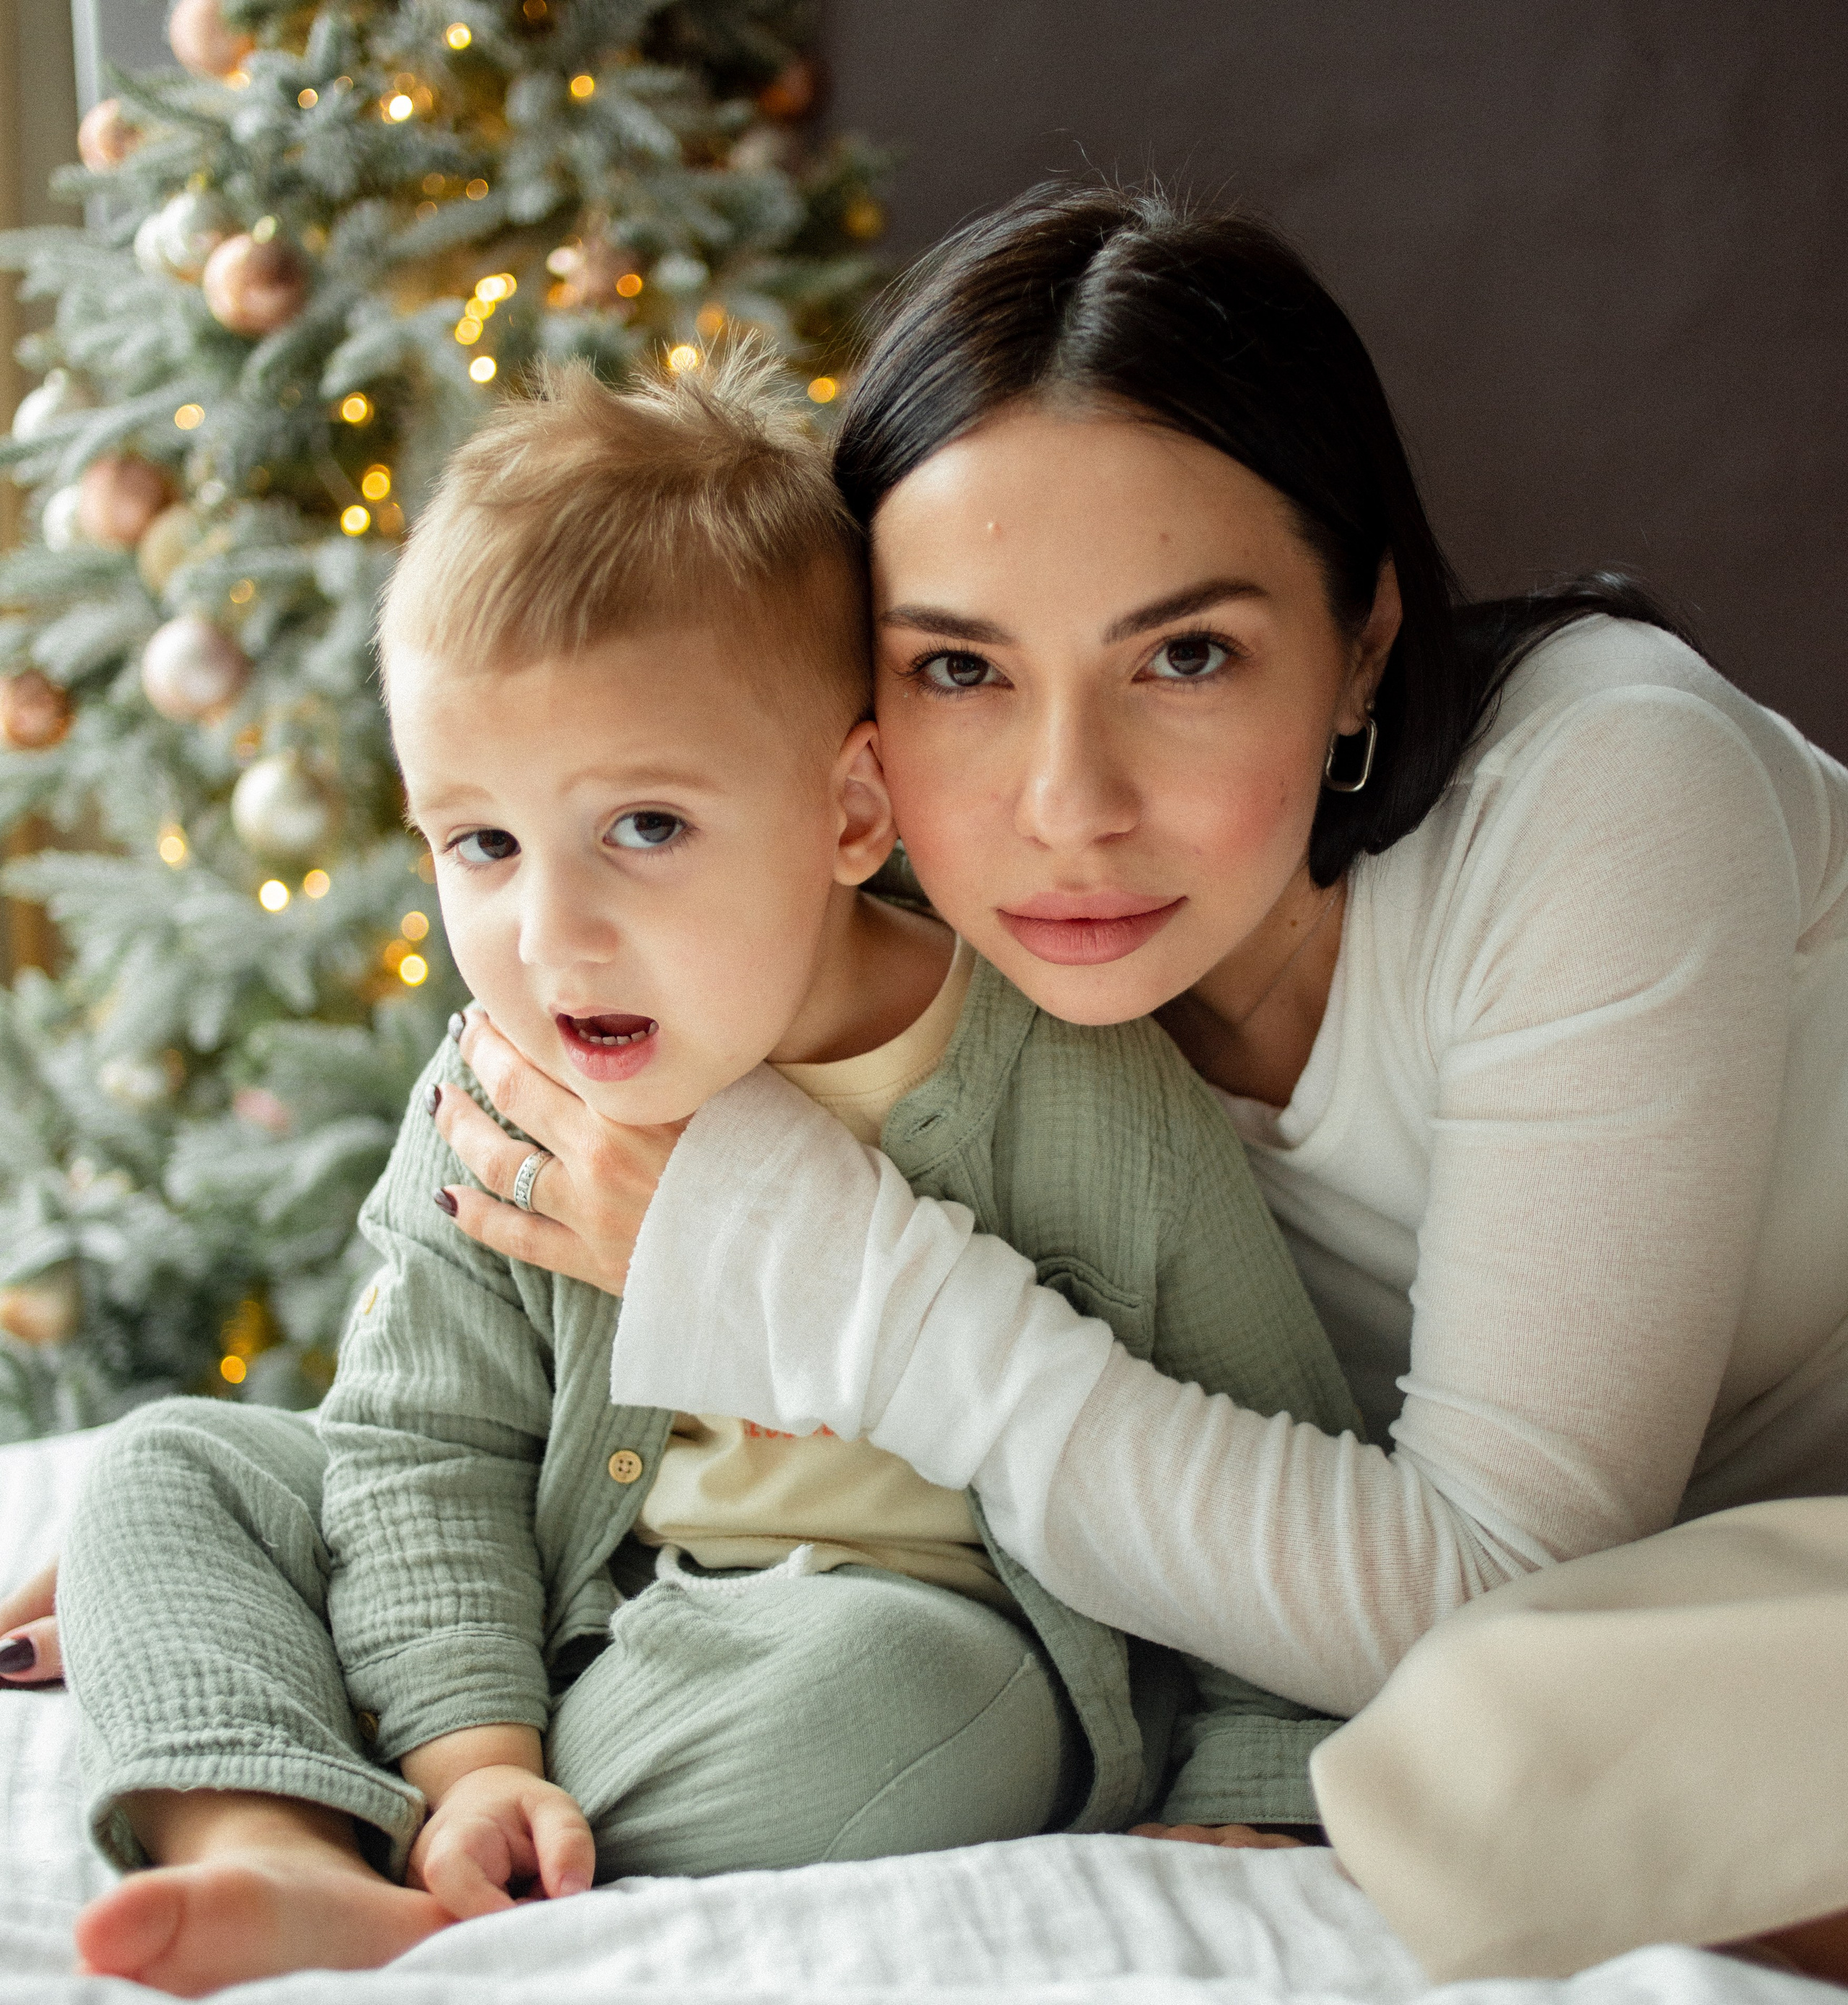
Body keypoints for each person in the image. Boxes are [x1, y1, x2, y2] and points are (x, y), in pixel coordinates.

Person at [403, 183, 1848, 1964]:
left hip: (1738, 1565)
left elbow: (1492, 1586)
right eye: (958, 668)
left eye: (1183, 656)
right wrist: (352, 1540)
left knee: (1477, 1740)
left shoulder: (1606, 789)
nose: (1063, 806)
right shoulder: (894, 876)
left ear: (1362, 643)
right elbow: (494, 1335)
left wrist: (804, 1255)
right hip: (1568, 1609)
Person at [42, 346, 1365, 1996]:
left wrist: (1256, 1791)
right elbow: (424, 1447)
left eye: (645, 829)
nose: (550, 934)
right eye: (482, 843)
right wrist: (473, 1755)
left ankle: (417, 1847)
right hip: (567, 1602)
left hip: (902, 1644)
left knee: (882, 1692)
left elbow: (1272, 1471)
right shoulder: (500, 1091)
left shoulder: (1081, 1097)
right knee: (170, 1467)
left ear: (851, 809)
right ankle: (284, 1848)